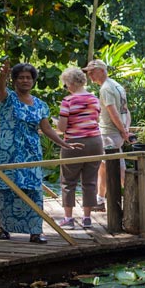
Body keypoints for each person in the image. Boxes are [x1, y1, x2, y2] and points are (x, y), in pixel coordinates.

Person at [0, 61, 80, 243]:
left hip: (31, 151)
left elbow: (47, 129)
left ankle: (35, 231)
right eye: (20, 77)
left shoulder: (40, 104)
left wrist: (64, 144)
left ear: (33, 81)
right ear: (14, 80)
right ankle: (4, 228)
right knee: (7, 189)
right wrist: (2, 76)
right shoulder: (8, 97)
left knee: (33, 189)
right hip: (8, 151)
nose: (25, 80)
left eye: (28, 77)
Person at [57, 67, 105, 228]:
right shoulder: (94, 99)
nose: (66, 88)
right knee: (90, 181)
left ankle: (69, 219)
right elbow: (96, 119)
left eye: (65, 85)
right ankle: (86, 218)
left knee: (68, 181)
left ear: (70, 84)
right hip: (95, 142)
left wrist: (56, 125)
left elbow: (62, 128)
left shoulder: (68, 101)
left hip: (74, 142)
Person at [82, 59, 130, 208]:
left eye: (92, 71)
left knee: (118, 168)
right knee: (103, 166)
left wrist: (123, 130)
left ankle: (134, 198)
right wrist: (126, 128)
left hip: (109, 133)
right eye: (88, 72)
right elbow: (126, 110)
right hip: (116, 132)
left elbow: (114, 111)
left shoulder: (105, 88)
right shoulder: (117, 85)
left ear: (102, 70)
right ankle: (100, 198)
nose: (90, 75)